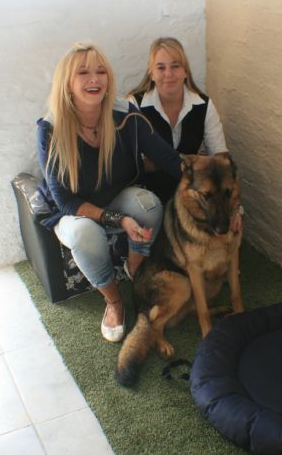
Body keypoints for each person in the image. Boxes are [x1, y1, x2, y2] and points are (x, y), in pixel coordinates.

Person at [36, 43, 181, 343]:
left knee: (150, 206)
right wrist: (119, 219)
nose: (95, 79)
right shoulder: (50, 128)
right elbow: (64, 200)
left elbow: (167, 158)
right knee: (86, 234)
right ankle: (114, 301)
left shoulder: (125, 114)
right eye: (84, 73)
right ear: (67, 82)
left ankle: (135, 269)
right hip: (72, 211)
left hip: (115, 195)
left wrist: (214, 191)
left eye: (101, 71)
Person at [126, 37, 229, 204]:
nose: (168, 74)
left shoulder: (204, 105)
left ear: (185, 71)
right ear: (151, 74)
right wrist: (193, 160)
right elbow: (128, 166)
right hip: (146, 194)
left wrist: (235, 207)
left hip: (192, 194)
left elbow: (221, 160)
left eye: (175, 66)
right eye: (161, 67)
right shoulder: (134, 105)